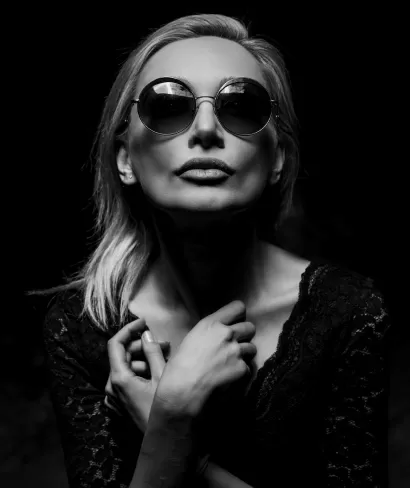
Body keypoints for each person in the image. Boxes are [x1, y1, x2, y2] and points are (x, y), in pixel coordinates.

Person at [34, 13, 391, 488]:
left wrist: (175, 435)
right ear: (125, 160)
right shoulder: (80, 325)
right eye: (167, 106)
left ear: (277, 158)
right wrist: (171, 424)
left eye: (241, 106)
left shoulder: (351, 313)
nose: (205, 129)